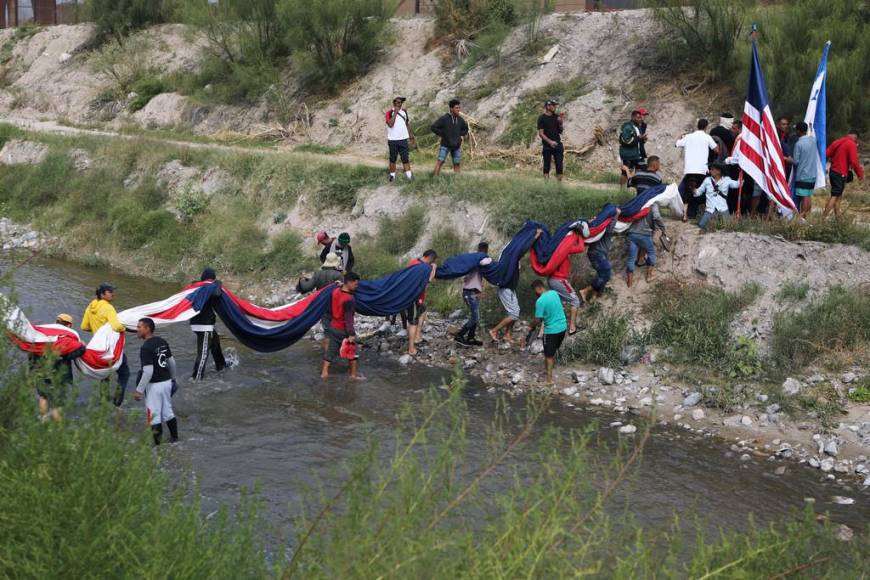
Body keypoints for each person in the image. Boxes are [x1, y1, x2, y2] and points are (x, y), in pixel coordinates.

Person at [489, 229, 543, 345]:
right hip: (505, 288)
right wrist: (535, 236)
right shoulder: (509, 257)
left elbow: (521, 250)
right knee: (514, 314)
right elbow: (523, 249)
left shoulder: (512, 258)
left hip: (510, 288)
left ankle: (508, 335)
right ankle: (494, 331)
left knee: (515, 311)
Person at [81, 283, 130, 407]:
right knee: (124, 373)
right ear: (102, 294)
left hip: (98, 349)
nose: (113, 293)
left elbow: (84, 326)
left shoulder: (90, 306)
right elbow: (116, 326)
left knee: (105, 374)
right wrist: (126, 328)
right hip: (111, 347)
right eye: (110, 291)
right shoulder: (108, 308)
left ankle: (104, 402)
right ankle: (117, 403)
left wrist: (96, 330)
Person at [132, 317, 178, 446]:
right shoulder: (162, 341)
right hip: (167, 382)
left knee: (153, 416)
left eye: (139, 327)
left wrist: (139, 390)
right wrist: (173, 379)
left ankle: (158, 448)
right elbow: (172, 362)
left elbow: (148, 371)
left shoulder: (146, 348)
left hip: (154, 386)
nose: (137, 329)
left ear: (147, 329)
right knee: (168, 412)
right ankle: (175, 440)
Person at [29, 313, 82, 422]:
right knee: (57, 404)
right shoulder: (67, 339)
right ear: (69, 326)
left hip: (40, 372)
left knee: (43, 396)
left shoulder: (42, 334)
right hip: (59, 376)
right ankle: (58, 431)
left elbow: (32, 352)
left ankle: (43, 420)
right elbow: (76, 353)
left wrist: (32, 370)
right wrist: (81, 345)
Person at [320, 272, 362, 380]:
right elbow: (348, 319)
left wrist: (340, 285)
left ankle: (324, 373)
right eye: (356, 284)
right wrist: (351, 334)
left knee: (330, 351)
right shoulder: (350, 299)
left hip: (333, 327)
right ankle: (353, 376)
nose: (357, 286)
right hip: (343, 329)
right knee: (353, 353)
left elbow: (339, 290)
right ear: (349, 282)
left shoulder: (335, 292)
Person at [526, 279, 568, 385]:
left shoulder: (540, 301)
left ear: (538, 288)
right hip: (563, 328)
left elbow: (538, 319)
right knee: (553, 351)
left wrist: (530, 326)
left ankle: (549, 380)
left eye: (534, 291)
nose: (535, 293)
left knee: (548, 355)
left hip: (551, 331)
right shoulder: (554, 293)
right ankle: (550, 369)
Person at [676, 118, 719, 220]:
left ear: (697, 126)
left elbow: (677, 144)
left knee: (688, 191)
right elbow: (717, 150)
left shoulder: (688, 137)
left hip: (690, 169)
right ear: (706, 127)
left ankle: (685, 214)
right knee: (698, 192)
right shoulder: (707, 137)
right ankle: (693, 213)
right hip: (702, 170)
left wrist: (681, 137)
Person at [454, 242, 493, 346]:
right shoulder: (479, 260)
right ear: (485, 250)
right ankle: (460, 335)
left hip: (472, 292)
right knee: (475, 317)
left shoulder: (473, 260)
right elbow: (487, 262)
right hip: (469, 292)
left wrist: (480, 290)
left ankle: (471, 338)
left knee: (475, 316)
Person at [580, 208, 620, 301]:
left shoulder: (600, 224)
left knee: (602, 274)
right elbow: (610, 229)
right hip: (597, 253)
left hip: (597, 253)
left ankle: (596, 295)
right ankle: (586, 291)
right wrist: (616, 215)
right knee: (606, 272)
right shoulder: (604, 225)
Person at [547, 236, 581, 336]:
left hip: (551, 279)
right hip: (559, 280)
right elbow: (580, 248)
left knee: (560, 303)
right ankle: (572, 328)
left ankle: (556, 328)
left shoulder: (554, 250)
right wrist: (579, 236)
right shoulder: (563, 250)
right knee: (575, 300)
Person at [824, 132, 864, 217]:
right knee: (835, 196)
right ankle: (822, 218)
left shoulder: (837, 141)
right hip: (840, 173)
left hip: (833, 171)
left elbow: (826, 154)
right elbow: (854, 161)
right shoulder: (851, 144)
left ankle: (838, 220)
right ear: (855, 138)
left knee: (838, 196)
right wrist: (860, 174)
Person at [406, 250, 438, 356]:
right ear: (429, 258)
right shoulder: (422, 267)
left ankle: (417, 336)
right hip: (414, 298)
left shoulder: (413, 262)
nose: (431, 263)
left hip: (415, 296)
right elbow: (428, 280)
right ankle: (411, 348)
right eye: (432, 261)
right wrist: (433, 268)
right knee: (413, 322)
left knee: (423, 311)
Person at [625, 204, 664, 287]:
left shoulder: (639, 202)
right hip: (644, 234)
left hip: (632, 233)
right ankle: (649, 276)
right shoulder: (653, 204)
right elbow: (657, 217)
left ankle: (629, 282)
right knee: (652, 253)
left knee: (631, 258)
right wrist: (663, 228)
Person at [694, 162, 740, 230]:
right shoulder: (707, 180)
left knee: (728, 227)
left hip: (723, 209)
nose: (710, 171)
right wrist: (693, 189)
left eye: (712, 169)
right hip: (710, 210)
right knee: (701, 225)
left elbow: (737, 185)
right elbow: (698, 193)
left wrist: (740, 174)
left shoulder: (726, 179)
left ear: (719, 171)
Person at [431, 99, 469, 175]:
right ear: (451, 109)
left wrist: (459, 134)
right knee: (440, 162)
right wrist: (443, 134)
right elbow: (433, 127)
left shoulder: (460, 120)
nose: (458, 110)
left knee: (457, 163)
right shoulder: (444, 118)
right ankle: (434, 179)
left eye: (459, 108)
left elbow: (466, 129)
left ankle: (457, 180)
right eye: (456, 108)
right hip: (445, 145)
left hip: (456, 146)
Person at [791, 122, 818, 219]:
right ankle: (806, 216)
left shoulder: (798, 144)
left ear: (798, 131)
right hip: (812, 174)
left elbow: (796, 161)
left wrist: (787, 159)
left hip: (803, 175)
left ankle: (802, 217)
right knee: (809, 195)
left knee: (804, 197)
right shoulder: (813, 140)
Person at [386, 96, 416, 182]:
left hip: (403, 139)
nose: (400, 104)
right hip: (393, 140)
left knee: (405, 158)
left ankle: (409, 176)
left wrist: (411, 136)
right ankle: (392, 176)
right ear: (394, 103)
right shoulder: (389, 113)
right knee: (393, 159)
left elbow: (407, 124)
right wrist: (395, 112)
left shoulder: (404, 112)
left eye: (401, 102)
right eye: (398, 102)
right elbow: (390, 124)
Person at [537, 99, 564, 181]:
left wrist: (560, 123)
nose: (555, 107)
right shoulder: (541, 118)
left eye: (555, 105)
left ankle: (559, 187)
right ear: (548, 106)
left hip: (558, 144)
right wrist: (550, 142)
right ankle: (546, 185)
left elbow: (561, 131)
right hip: (547, 146)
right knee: (546, 166)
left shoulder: (556, 117)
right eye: (553, 105)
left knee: (559, 165)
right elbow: (541, 133)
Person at [618, 110, 646, 186]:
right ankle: (621, 189)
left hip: (638, 154)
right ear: (633, 117)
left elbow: (638, 141)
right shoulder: (627, 127)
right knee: (625, 173)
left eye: (640, 117)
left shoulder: (638, 127)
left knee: (641, 170)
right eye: (638, 117)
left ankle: (635, 186)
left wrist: (643, 140)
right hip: (629, 154)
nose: (640, 119)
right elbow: (626, 141)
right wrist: (639, 138)